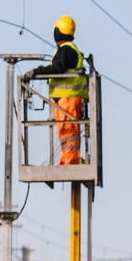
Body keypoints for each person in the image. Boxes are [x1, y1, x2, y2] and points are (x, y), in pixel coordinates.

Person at [23, 15, 89, 169]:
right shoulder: (69, 49)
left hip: (68, 99)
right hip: (67, 99)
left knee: (69, 133)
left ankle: (69, 163)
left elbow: (57, 68)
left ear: (59, 32)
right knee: (67, 134)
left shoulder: (66, 50)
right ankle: (66, 161)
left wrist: (37, 71)